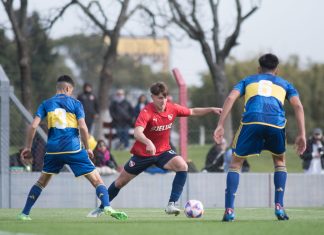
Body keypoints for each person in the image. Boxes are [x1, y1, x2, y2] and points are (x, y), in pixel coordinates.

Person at [87, 81, 222, 217]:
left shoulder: (172, 108)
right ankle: (102, 207)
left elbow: (192, 111)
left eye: (165, 97)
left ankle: (171, 204)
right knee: (120, 182)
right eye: (160, 98)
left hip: (163, 151)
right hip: (143, 154)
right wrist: (148, 142)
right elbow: (137, 132)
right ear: (152, 97)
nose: (163, 101)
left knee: (182, 165)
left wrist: (211, 109)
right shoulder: (146, 112)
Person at [17, 75, 127, 221]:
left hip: (53, 150)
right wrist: (88, 148)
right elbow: (83, 127)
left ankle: (24, 213)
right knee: (97, 181)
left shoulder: (46, 103)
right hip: (73, 149)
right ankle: (106, 206)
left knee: (41, 182)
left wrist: (28, 148)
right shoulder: (76, 103)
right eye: (71, 90)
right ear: (68, 88)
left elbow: (33, 126)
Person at [213, 53, 306, 222]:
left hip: (252, 121)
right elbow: (298, 106)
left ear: (258, 68)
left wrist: (220, 124)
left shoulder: (248, 80)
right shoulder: (285, 84)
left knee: (236, 163)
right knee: (279, 161)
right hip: (275, 123)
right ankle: (279, 207)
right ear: (276, 70)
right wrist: (302, 134)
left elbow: (230, 97)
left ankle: (229, 210)